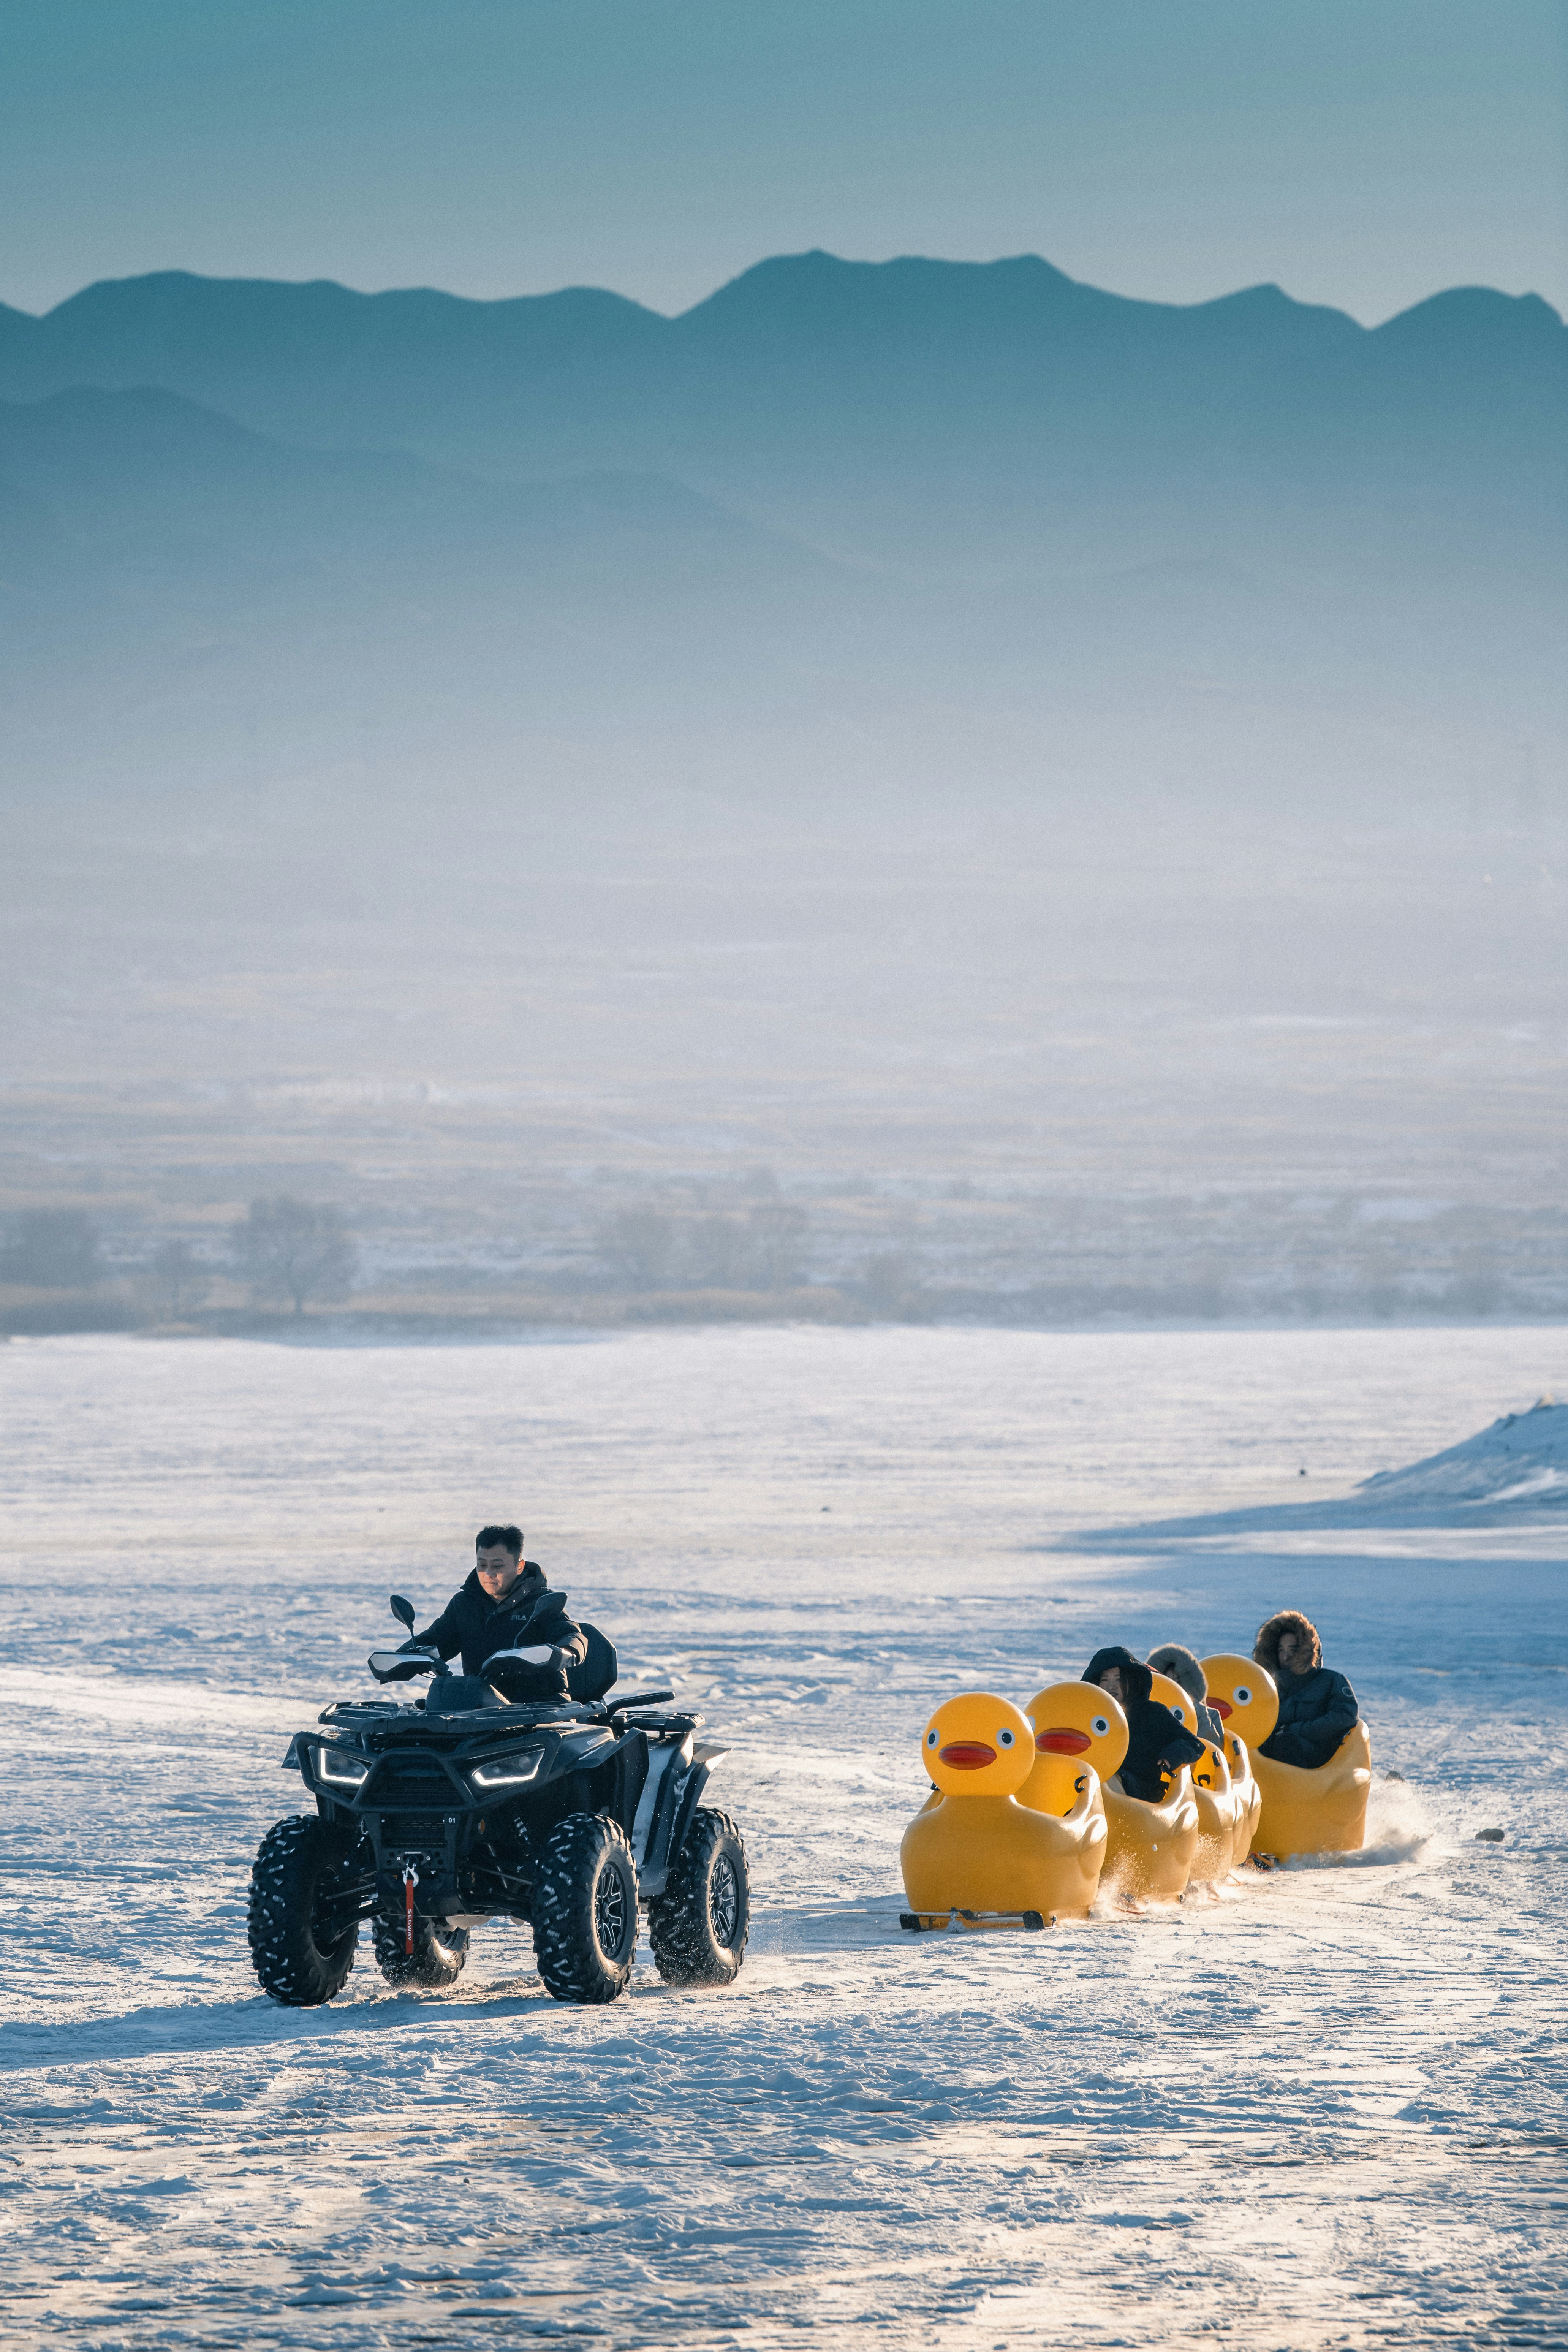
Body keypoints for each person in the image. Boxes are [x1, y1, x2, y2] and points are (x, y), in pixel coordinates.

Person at [408, 1524, 588, 1700]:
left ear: (520, 1567)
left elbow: (571, 1633)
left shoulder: (541, 1602)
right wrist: (403, 1657)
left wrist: (566, 1651)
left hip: (540, 1707)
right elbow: (436, 1640)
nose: (488, 1573)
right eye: (482, 1565)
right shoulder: (465, 1604)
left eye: (497, 1566)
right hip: (480, 1706)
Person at [1082, 1645, 1206, 1803]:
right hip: (1095, 1790)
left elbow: (1194, 1744)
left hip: (1141, 1796)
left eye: (1119, 1680)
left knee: (1107, 1782)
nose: (1111, 1686)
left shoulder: (1152, 1713)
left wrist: (1171, 1755)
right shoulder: (1089, 1716)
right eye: (1105, 1680)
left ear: (1132, 1681)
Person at [1252, 1610, 1359, 1770]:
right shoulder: (1267, 1686)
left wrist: (1296, 1730)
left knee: (1287, 1744)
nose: (1286, 1657)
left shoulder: (1330, 1681)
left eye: (1292, 1650)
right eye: (1281, 1650)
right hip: (1269, 1764)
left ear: (1306, 1651)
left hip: (1317, 1765)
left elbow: (1345, 1717)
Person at [1147, 1643, 1226, 1745]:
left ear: (1189, 1683)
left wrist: (1198, 1712)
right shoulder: (1149, 1711)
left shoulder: (1210, 1715)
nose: (1173, 1686)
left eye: (1177, 1681)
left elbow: (1213, 1749)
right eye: (1168, 1681)